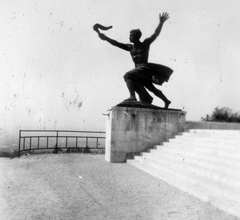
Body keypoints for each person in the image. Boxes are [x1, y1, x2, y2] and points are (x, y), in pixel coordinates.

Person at [97, 12, 173, 108]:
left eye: (131, 35)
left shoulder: (145, 43)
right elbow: (116, 43)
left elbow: (155, 34)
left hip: (145, 68)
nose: (129, 37)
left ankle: (132, 97)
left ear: (137, 36)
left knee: (128, 75)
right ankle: (166, 100)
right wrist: (105, 38)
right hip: (138, 70)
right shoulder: (130, 47)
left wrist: (161, 23)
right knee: (151, 88)